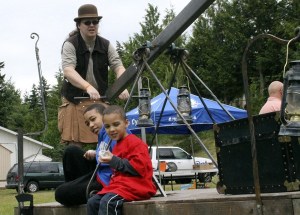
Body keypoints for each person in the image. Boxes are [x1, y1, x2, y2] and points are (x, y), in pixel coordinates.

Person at [58, 4, 129, 182]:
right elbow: (68, 70)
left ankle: (109, 179)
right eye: (87, 22)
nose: (92, 25)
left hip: (99, 100)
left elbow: (118, 65)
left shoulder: (105, 44)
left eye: (95, 22)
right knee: (74, 146)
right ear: (79, 25)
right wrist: (87, 87)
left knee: (111, 137)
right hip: (75, 100)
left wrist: (122, 85)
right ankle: (75, 183)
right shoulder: (70, 44)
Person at [87, 105, 157, 215]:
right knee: (92, 202)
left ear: (126, 123)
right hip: (120, 186)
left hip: (137, 186)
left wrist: (113, 160)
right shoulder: (117, 145)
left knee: (108, 202)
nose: (112, 129)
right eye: (107, 126)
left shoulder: (135, 143)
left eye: (116, 124)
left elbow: (138, 168)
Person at [56, 103, 110, 206]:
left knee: (60, 193)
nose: (91, 125)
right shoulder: (101, 137)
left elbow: (118, 157)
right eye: (87, 123)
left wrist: (97, 154)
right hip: (99, 171)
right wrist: (96, 153)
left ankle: (75, 191)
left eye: (93, 119)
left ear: (105, 116)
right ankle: (72, 187)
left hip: (107, 179)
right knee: (71, 151)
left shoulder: (114, 132)